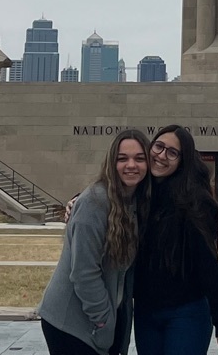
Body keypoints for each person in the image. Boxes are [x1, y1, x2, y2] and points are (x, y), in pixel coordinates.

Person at [39, 129, 151, 355]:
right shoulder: (94, 202)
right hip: (71, 324)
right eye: (122, 158)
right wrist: (103, 323)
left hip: (101, 319)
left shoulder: (137, 202)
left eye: (139, 158)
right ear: (111, 163)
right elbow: (84, 272)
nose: (131, 165)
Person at [134, 125, 218, 355]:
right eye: (159, 146)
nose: (161, 155)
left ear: (182, 161)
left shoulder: (194, 203)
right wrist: (78, 199)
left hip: (186, 313)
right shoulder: (138, 192)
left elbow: (210, 267)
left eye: (172, 152)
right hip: (146, 312)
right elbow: (108, 192)